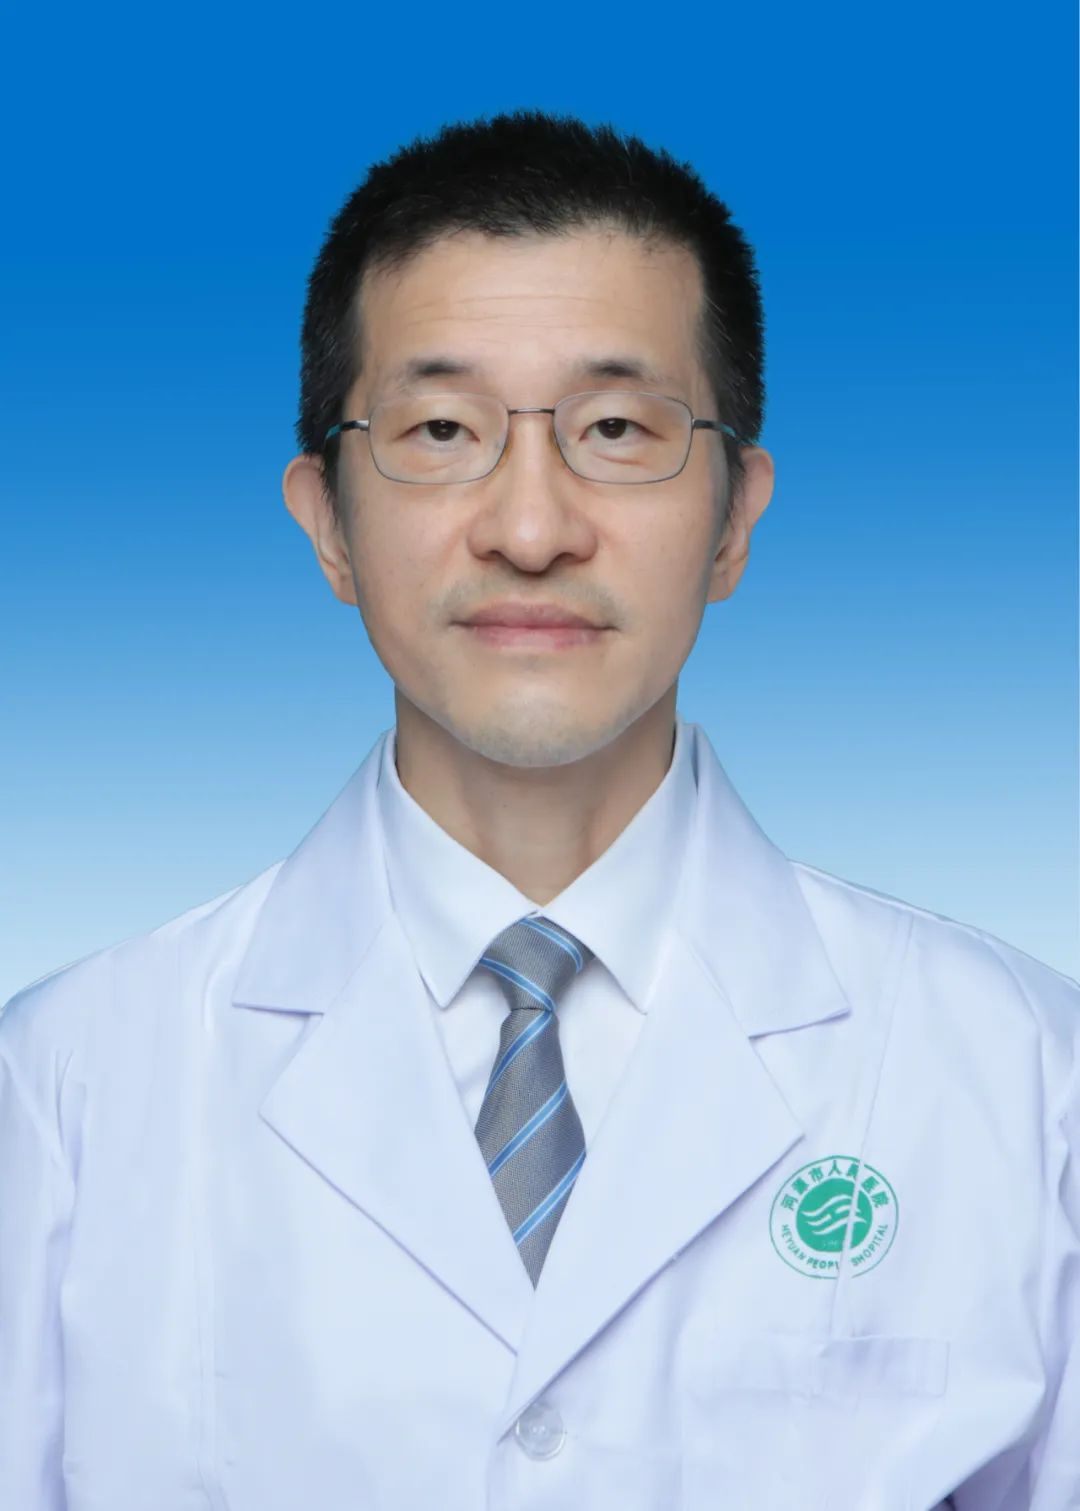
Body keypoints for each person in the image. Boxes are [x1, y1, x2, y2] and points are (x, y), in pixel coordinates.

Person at [0, 109, 1076, 1511]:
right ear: (326, 521)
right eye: (442, 430)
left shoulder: (1022, 1071)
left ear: (736, 517)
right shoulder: (70, 1083)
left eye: (615, 429)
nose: (529, 528)